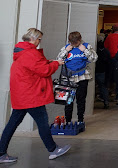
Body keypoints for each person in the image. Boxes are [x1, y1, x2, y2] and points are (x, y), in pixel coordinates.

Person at [0, 28, 70, 163]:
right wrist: (55, 63)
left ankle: (1, 153)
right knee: (42, 122)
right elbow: (44, 71)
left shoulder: (22, 52)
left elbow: (34, 68)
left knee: (12, 124)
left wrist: (47, 62)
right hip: (31, 95)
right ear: (33, 39)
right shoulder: (31, 53)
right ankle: (53, 149)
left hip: (22, 95)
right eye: (39, 39)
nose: (39, 42)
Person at [57, 31, 98, 124]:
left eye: (76, 42)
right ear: (69, 41)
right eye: (72, 43)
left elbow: (94, 58)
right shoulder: (66, 47)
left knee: (81, 100)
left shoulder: (86, 46)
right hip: (68, 77)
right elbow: (59, 60)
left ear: (80, 40)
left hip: (82, 77)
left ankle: (80, 120)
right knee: (68, 101)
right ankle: (68, 121)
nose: (74, 44)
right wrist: (66, 50)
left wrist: (85, 50)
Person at [95, 37, 111, 109]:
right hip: (103, 71)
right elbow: (109, 62)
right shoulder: (106, 51)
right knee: (103, 87)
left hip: (95, 70)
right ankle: (106, 102)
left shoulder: (95, 51)